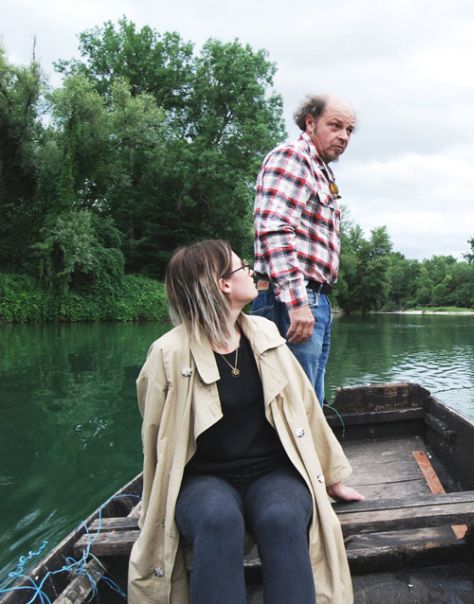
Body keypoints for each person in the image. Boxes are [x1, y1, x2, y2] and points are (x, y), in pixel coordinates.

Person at [128, 240, 364, 604]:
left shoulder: (266, 335)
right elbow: (155, 435)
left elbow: (306, 410)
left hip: (273, 472)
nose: (252, 271)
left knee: (282, 517)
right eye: (242, 267)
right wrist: (151, 499)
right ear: (222, 284)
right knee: (218, 520)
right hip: (205, 478)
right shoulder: (168, 353)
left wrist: (332, 479)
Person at [252, 94, 356, 406]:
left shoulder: (320, 169)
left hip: (314, 298)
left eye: (349, 130)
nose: (343, 137)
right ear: (310, 122)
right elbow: (275, 229)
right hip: (292, 300)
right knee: (293, 405)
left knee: (309, 400)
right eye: (335, 126)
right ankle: (293, 457)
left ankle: (308, 456)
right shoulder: (293, 158)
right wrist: (298, 303)